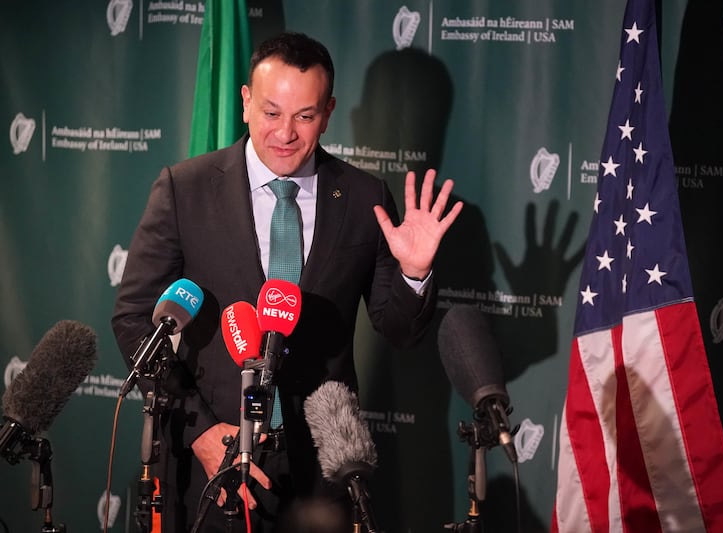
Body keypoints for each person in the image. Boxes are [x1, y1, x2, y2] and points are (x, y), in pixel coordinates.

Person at [111, 31, 462, 532]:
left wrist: (414, 272)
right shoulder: (184, 189)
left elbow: (400, 329)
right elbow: (133, 320)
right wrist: (203, 432)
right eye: (272, 113)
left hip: (322, 470)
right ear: (246, 103)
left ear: (329, 111)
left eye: (305, 116)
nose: (286, 134)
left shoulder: (366, 198)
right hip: (213, 463)